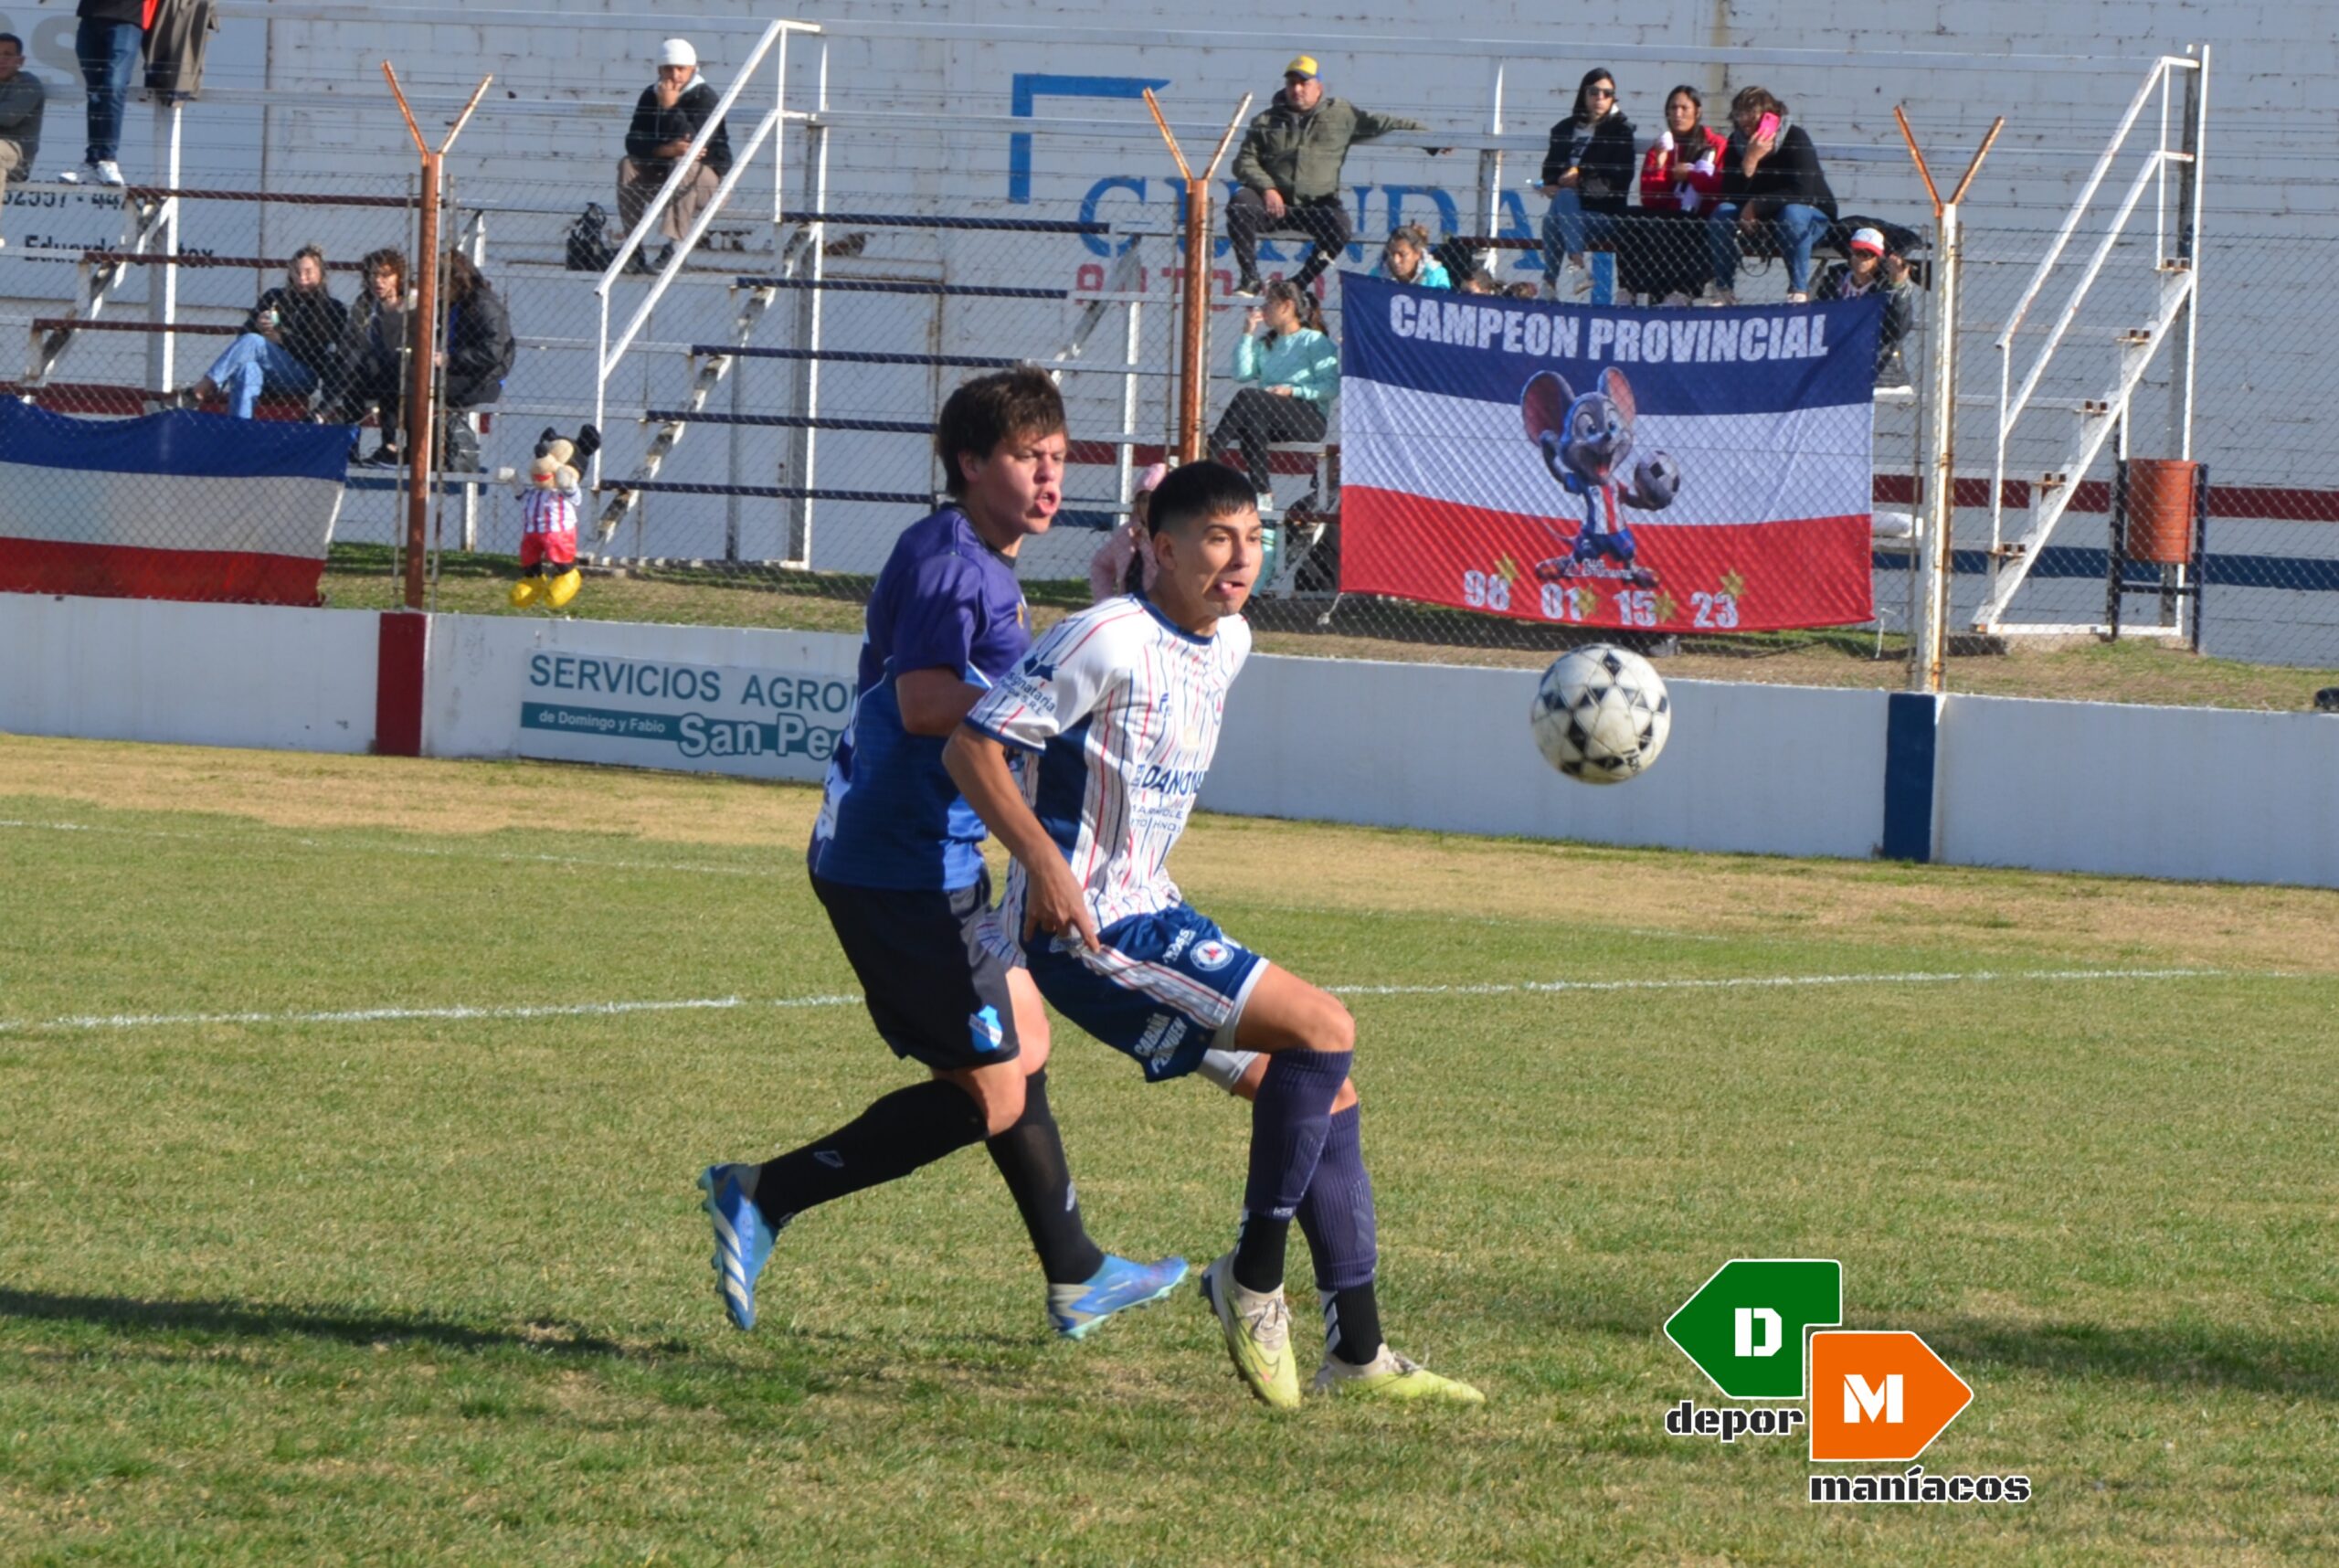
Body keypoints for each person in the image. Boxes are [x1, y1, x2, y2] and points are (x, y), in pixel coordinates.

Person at [943, 459, 1484, 1409]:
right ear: (1162, 547)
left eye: (1253, 538)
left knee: (1326, 1093)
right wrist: (1044, 864)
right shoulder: (1104, 637)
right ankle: (1252, 1279)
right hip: (1090, 931)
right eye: (1217, 538)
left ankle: (1358, 1352)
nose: (1240, 558)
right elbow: (972, 747)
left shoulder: (1230, 640)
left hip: (1154, 907)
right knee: (1324, 1028)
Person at [697, 366, 1185, 1342]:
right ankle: (764, 1193)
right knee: (994, 1090)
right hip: (899, 869)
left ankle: (1077, 1271)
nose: (1049, 477)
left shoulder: (975, 560)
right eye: (1026, 457)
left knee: (1026, 1043)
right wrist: (1056, 715)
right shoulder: (955, 564)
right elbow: (925, 703)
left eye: (1058, 457)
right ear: (969, 463)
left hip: (935, 857)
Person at [1227, 53, 1436, 297]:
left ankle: (1298, 283)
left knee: (1340, 226)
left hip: (1315, 207)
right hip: (1274, 206)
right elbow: (1244, 161)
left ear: (1319, 87)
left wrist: (1431, 140)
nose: (1297, 89)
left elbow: (1384, 123)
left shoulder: (1340, 114)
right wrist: (1267, 188)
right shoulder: (1265, 121)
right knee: (1240, 203)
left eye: (1304, 83)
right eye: (1291, 83)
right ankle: (1250, 278)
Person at [174, 246, 346, 418]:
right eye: (296, 272)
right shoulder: (274, 296)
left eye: (308, 272)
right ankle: (240, 428)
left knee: (253, 341)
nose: (302, 278)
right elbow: (242, 338)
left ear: (321, 273)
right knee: (247, 369)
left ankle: (199, 391)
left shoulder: (333, 308)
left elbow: (322, 357)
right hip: (266, 372)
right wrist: (257, 325)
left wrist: (282, 339)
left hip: (301, 376)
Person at [1212, 278, 1338, 510]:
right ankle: (1262, 493)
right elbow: (1241, 374)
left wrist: (1292, 390)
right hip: (1272, 416)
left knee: (1247, 397)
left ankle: (1208, 456)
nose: (1263, 309)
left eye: (1269, 303)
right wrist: (1247, 333)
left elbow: (1331, 387)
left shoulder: (1314, 340)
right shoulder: (1266, 344)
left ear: (1287, 306)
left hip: (1307, 417)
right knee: (1251, 420)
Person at [1707, 86, 1837, 305]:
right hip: (1759, 222)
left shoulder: (1795, 137)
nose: (1744, 119)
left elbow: (1802, 191)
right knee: (1722, 213)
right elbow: (1729, 194)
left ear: (1770, 116)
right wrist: (1750, 161)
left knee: (1791, 213)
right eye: (1740, 113)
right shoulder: (1736, 143)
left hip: (1808, 219)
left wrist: (1757, 205)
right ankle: (1724, 290)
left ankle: (1798, 292)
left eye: (1752, 113)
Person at [618, 38, 733, 272]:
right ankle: (632, 248)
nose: (675, 75)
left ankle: (675, 248)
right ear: (659, 70)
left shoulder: (704, 97)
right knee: (628, 164)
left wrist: (670, 107)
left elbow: (693, 143)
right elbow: (633, 140)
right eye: (668, 69)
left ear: (693, 69)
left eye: (681, 68)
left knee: (684, 162)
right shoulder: (651, 95)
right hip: (663, 179)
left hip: (705, 186)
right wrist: (664, 150)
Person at [1623, 84, 1728, 305]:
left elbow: (1721, 188)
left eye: (1684, 108)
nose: (1678, 114)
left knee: (1676, 227)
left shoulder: (1715, 145)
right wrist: (1662, 165)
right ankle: (1629, 289)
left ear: (1697, 111)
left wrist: (1691, 176)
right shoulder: (1661, 147)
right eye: (1673, 108)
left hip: (1700, 215)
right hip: (1667, 214)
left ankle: (1681, 292)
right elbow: (1649, 199)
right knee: (1630, 218)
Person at [1537, 69, 1635, 298]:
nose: (1600, 98)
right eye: (1594, 92)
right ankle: (1571, 273)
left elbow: (1618, 183)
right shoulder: (1565, 129)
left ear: (1613, 98)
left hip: (1604, 214)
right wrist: (1551, 183)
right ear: (1583, 94)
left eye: (1607, 94)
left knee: (1558, 210)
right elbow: (1549, 169)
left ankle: (1557, 278)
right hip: (1568, 212)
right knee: (1554, 216)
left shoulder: (1620, 132)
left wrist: (1579, 183)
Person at [318, 248, 411, 466]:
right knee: (353, 377)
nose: (378, 281)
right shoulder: (365, 301)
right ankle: (351, 450)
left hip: (401, 372)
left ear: (398, 276)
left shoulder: (410, 301)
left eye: (385, 275)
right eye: (373, 274)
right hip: (367, 370)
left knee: (382, 370)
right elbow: (352, 338)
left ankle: (324, 410)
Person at [436, 250, 514, 471]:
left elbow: (492, 352)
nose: (437, 292)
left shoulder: (483, 305)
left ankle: (455, 451)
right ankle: (419, 450)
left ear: (455, 281)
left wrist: (450, 359)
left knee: (420, 384)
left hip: (482, 381)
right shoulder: (455, 304)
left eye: (440, 285)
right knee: (406, 378)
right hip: (458, 373)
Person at [1814, 226, 1918, 388]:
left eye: (1868, 254)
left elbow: (1898, 329)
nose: (1862, 259)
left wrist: (1898, 286)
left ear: (1878, 258)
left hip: (1878, 368)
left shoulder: (1886, 286)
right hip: (1837, 365)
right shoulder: (1834, 281)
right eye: (1858, 252)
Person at [59, 0, 141, 187]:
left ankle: (108, 159)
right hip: (90, 16)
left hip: (128, 17)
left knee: (114, 86)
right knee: (95, 92)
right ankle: (92, 162)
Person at [1087, 461, 1166, 602]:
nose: (1149, 506)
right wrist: (1104, 601)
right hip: (1132, 607)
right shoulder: (1126, 534)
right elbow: (1100, 565)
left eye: (1156, 499)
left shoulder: (1178, 537)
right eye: (1143, 500)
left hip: (1167, 611)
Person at [0, 33, 46, 211]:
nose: (1, 60)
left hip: (16, 156)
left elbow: (7, 117)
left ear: (20, 61)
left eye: (8, 55)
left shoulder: (27, 83)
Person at [1368, 222, 1451, 290]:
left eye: (1402, 255)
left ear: (1417, 254)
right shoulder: (1377, 276)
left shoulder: (1435, 276)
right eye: (1392, 254)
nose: (1396, 260)